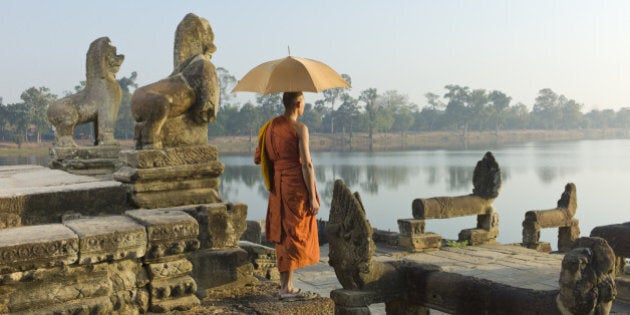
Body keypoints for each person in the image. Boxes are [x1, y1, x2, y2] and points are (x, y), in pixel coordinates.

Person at [254, 91, 320, 301]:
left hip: (277, 186)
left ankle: (286, 285)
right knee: (294, 232)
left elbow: (258, 157)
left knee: (283, 232)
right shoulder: (299, 128)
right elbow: (307, 164)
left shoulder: (270, 127)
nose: (304, 107)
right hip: (295, 186)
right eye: (304, 103)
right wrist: (312, 196)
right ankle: (286, 288)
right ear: (299, 103)